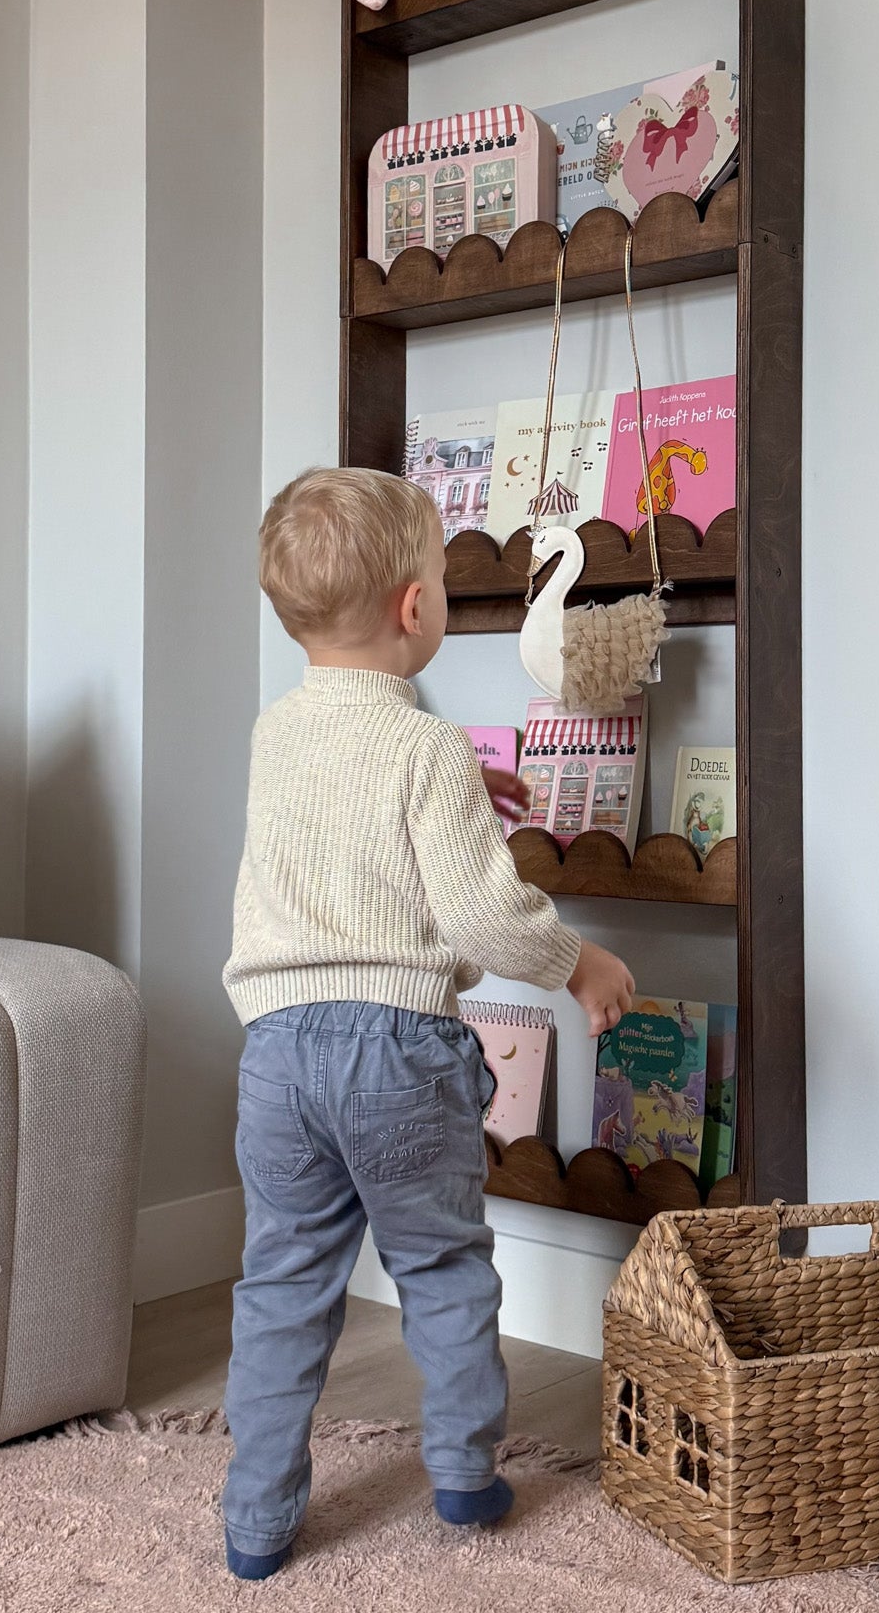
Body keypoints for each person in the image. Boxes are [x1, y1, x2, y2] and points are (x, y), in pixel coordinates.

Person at [220, 466, 637, 1580]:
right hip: (395, 1050)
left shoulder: (276, 734)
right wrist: (577, 959)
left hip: (276, 1050)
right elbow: (479, 914)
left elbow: (332, 855)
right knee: (443, 1265)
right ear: (415, 608)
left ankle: (255, 1521)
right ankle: (462, 1475)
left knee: (280, 1286)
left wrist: (465, 811)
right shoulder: (425, 749)